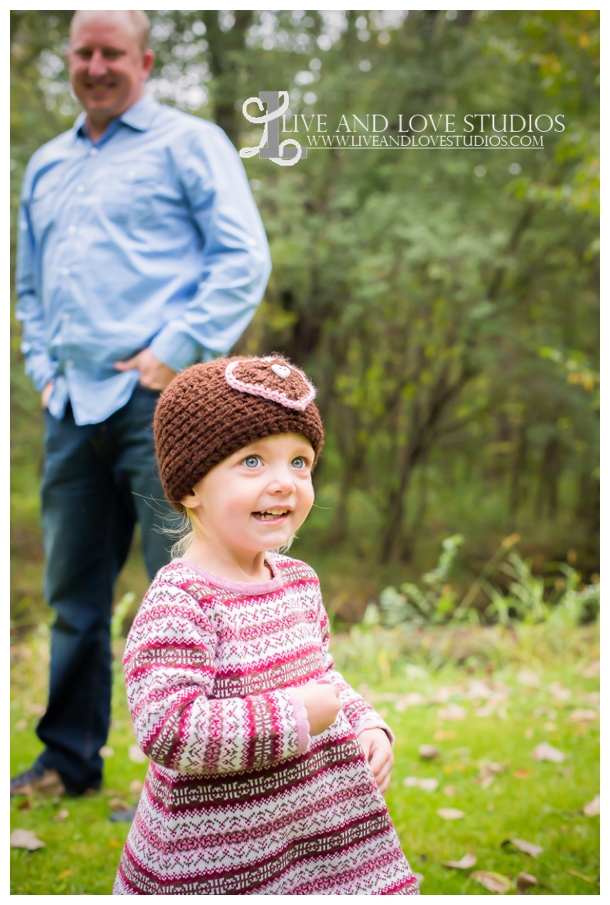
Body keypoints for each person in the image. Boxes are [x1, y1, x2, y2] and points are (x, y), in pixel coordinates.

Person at [11, 10, 271, 799]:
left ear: (145, 60)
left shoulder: (190, 144)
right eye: (83, 51)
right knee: (73, 598)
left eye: (111, 52)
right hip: (69, 405)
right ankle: (67, 761)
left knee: (189, 590)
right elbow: (28, 284)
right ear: (70, 59)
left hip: (161, 404)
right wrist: (41, 367)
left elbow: (243, 255)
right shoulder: (45, 165)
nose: (96, 65)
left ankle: (197, 780)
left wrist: (177, 349)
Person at [112, 354, 419, 895]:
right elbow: (169, 728)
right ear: (190, 488)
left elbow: (323, 677)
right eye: (252, 462)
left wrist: (365, 721)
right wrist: (294, 715)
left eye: (300, 462)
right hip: (215, 854)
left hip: (313, 830)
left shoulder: (299, 581)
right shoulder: (180, 599)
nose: (285, 483)